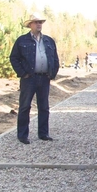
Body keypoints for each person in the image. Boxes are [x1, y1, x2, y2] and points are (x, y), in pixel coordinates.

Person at [9, 13, 60, 144]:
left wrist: (52, 73)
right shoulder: (22, 40)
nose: (39, 24)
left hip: (44, 78)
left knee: (44, 107)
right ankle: (22, 135)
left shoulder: (48, 40)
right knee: (25, 106)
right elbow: (14, 58)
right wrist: (22, 73)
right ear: (30, 24)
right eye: (36, 22)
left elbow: (55, 58)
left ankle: (43, 134)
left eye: (41, 22)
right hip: (29, 79)